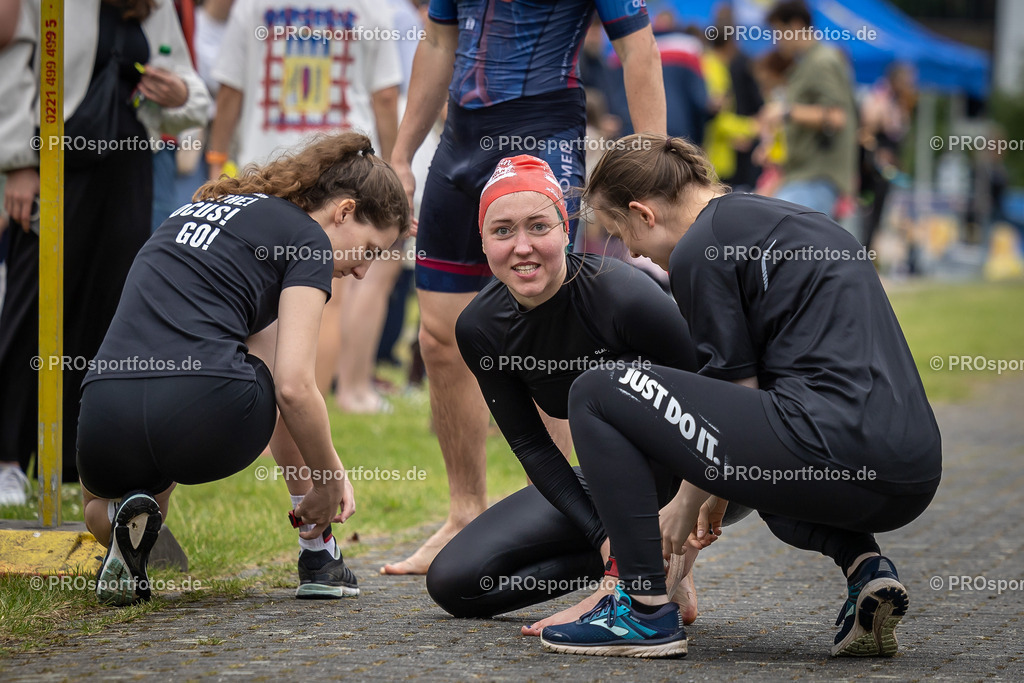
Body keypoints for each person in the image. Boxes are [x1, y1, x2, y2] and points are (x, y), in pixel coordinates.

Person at [536, 134, 941, 658]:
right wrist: (719, 486)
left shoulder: (701, 248)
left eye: (621, 234)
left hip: (829, 443)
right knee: (774, 467)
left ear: (643, 213)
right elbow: (755, 402)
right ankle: (866, 569)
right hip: (910, 473)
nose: (632, 253)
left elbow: (731, 393)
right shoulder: (796, 221)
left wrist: (684, 505)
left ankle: (642, 611)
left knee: (597, 388)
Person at [382, 0, 667, 576]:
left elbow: (638, 46)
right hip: (460, 137)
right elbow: (438, 43)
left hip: (545, 128)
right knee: (438, 337)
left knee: (550, 327)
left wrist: (654, 164)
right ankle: (464, 511)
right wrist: (401, 154)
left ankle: (562, 514)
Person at [76, 132, 410, 606]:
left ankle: (117, 524)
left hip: (104, 414)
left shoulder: (196, 210)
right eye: (371, 250)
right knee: (275, 364)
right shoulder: (309, 241)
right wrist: (328, 481)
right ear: (344, 211)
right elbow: (293, 387)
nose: (362, 272)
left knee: (108, 502)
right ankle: (319, 553)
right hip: (204, 418)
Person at [428, 155, 749, 633]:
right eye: (502, 231)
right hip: (609, 482)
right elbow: (532, 445)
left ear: (565, 231)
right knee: (455, 583)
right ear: (483, 242)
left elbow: (717, 405)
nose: (522, 247)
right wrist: (602, 535)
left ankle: (637, 578)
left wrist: (689, 506)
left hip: (699, 478)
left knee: (625, 404)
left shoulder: (623, 295)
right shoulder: (480, 328)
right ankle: (639, 563)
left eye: (539, 226)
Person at [0, 0, 210, 506]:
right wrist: (19, 161)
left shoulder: (150, 5)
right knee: (31, 306)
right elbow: (13, 71)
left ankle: (83, 463)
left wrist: (180, 94)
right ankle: (7, 458)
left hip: (128, 171)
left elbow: (194, 93)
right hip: (56, 163)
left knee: (112, 311)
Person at [760, 0, 857, 218]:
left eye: (778, 32)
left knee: (778, 231)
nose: (776, 41)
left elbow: (837, 117)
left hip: (817, 178)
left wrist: (785, 111)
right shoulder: (808, 62)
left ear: (795, 26)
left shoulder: (823, 61)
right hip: (803, 176)